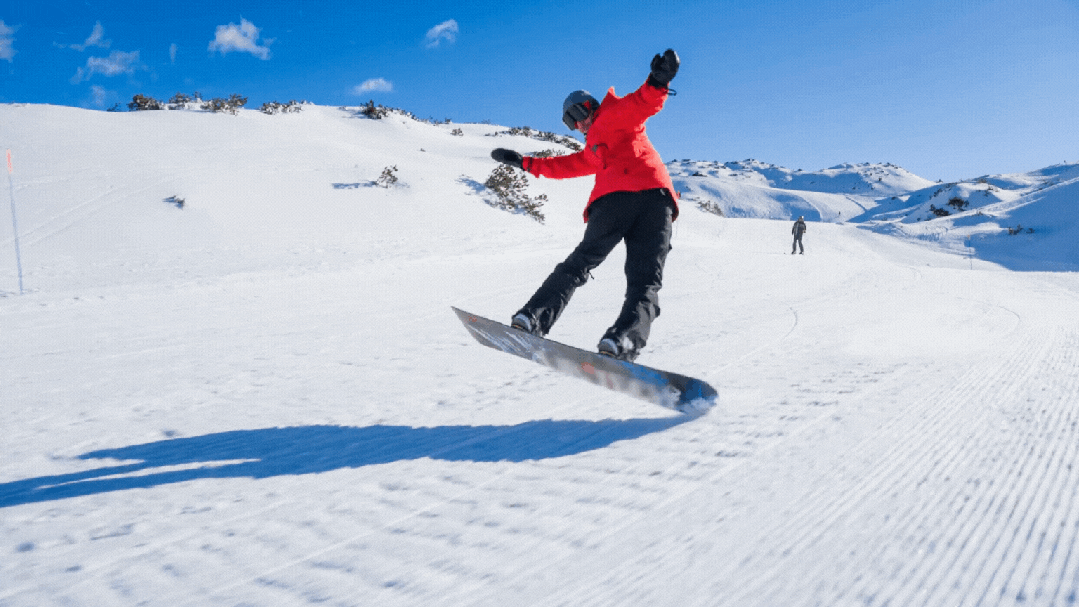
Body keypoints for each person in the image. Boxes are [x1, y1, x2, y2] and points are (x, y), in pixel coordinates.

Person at [489, 49, 681, 362]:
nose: (577, 124)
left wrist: (658, 82)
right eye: (569, 122)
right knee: (636, 278)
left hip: (632, 199)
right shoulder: (592, 149)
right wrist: (523, 163)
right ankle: (619, 341)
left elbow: (641, 103)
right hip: (654, 201)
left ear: (590, 106)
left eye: (577, 115)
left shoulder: (613, 115)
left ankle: (539, 318)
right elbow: (562, 166)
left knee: (593, 265)